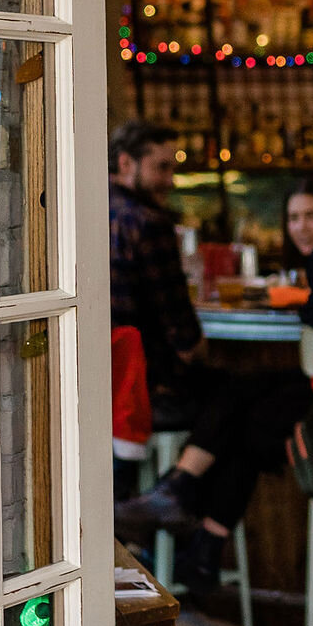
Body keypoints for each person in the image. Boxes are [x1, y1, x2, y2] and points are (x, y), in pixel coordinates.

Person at [117, 176, 313, 592]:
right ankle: (204, 546)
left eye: (312, 215)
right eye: (293, 218)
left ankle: (183, 492)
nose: (301, 227)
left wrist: (306, 299)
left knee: (237, 398)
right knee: (246, 423)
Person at [108, 122, 204, 437]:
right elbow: (181, 329)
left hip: (98, 381)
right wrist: (195, 347)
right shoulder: (147, 222)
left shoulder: (85, 207)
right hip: (150, 386)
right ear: (125, 163)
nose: (170, 181)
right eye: (161, 168)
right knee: (238, 397)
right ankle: (178, 482)